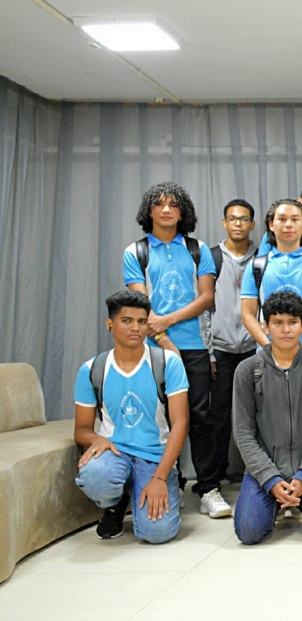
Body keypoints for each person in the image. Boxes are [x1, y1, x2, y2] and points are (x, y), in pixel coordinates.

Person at [122, 182, 227, 518]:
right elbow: (140, 305)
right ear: (149, 211)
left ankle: (208, 488)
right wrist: (166, 342)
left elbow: (206, 298)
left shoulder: (198, 250)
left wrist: (168, 321)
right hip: (152, 350)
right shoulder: (135, 252)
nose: (166, 210)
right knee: (162, 420)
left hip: (195, 347)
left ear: (183, 212)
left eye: (173, 204)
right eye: (159, 204)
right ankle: (172, 484)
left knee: (200, 419)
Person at [73, 291, 190, 542]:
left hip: (155, 457)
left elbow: (181, 424)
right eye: (126, 321)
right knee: (95, 476)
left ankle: (153, 489)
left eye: (141, 321)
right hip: (115, 453)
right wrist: (97, 439)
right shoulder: (92, 369)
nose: (135, 328)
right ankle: (114, 504)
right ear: (110, 324)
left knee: (157, 533)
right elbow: (81, 429)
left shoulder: (167, 363)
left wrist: (159, 477)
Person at [231, 291, 302, 544]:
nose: (285, 330)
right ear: (266, 326)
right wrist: (270, 479)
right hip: (265, 468)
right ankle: (277, 499)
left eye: (292, 322)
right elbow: (243, 433)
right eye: (278, 322)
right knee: (249, 532)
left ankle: (301, 499)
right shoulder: (248, 371)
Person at [240, 199, 302, 354]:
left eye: (295, 219)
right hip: (268, 356)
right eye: (281, 219)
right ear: (271, 225)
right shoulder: (256, 266)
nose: (288, 224)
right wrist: (269, 348)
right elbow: (247, 314)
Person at [208, 199, 258, 486]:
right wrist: (210, 352)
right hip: (221, 348)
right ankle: (217, 473)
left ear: (252, 224)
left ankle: (259, 471)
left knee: (259, 411)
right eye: (233, 218)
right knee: (219, 414)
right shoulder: (210, 258)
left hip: (255, 347)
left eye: (244, 219)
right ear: (224, 223)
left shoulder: (263, 258)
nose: (238, 223)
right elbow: (204, 308)